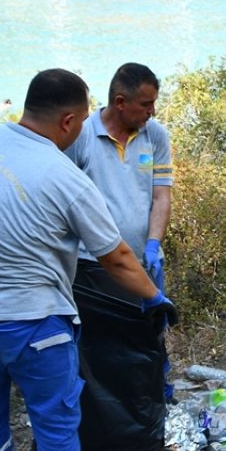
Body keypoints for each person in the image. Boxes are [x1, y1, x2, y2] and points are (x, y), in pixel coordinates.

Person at [0, 69, 176, 451]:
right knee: (55, 415)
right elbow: (114, 257)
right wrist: (154, 297)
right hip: (32, 320)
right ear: (69, 121)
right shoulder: (63, 175)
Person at [65, 62, 176, 401]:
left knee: (151, 335)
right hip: (93, 266)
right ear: (119, 102)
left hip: (142, 260)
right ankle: (108, 414)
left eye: (153, 103)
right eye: (145, 105)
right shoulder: (81, 137)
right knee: (103, 348)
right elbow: (62, 200)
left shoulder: (154, 135)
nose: (151, 112)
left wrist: (154, 243)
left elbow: (161, 195)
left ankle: (153, 402)